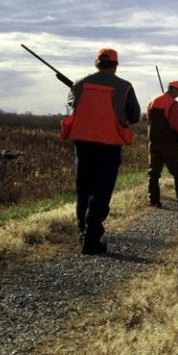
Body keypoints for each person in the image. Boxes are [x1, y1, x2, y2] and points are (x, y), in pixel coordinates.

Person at [64, 48, 140, 254]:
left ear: (96, 63)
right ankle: (92, 237)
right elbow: (134, 116)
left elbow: (72, 107)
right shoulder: (124, 86)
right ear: (115, 65)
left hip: (83, 143)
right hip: (109, 144)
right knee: (102, 189)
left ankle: (83, 231)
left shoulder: (80, 84)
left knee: (84, 187)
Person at [146, 81, 178, 208]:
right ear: (173, 89)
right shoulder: (173, 103)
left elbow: (148, 119)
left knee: (154, 174)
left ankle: (153, 201)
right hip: (168, 144)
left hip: (153, 143)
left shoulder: (152, 101)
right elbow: (175, 124)